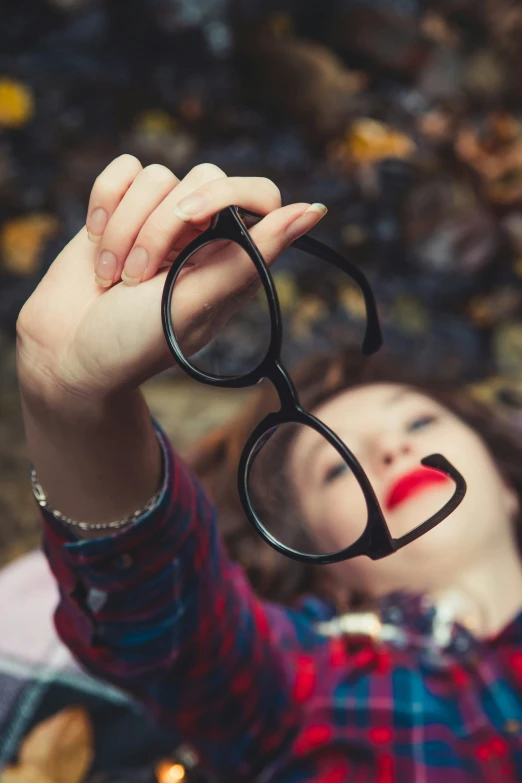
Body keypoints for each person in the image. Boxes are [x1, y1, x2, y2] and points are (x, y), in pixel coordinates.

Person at [15, 155, 522, 782]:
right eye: (338, 468)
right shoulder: (311, 690)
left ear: (505, 484)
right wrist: (75, 402)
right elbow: (178, 634)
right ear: (324, 565)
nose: (392, 451)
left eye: (419, 425)